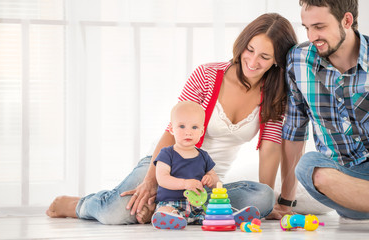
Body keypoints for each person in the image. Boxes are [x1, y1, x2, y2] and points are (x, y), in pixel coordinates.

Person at [46, 13, 298, 224]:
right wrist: (151, 180)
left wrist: (269, 205)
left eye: (264, 57)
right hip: (167, 163)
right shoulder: (208, 76)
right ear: (242, 43)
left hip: (207, 184)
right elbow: (171, 130)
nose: (252, 61)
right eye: (250, 50)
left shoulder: (276, 95)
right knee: (116, 213)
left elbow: (270, 148)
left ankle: (170, 207)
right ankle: (76, 204)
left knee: (262, 196)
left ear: (278, 60)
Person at [280, 0, 369, 221]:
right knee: (308, 166)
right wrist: (285, 202)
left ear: (347, 21)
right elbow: (295, 130)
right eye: (306, 27)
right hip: (344, 178)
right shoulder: (298, 60)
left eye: (319, 27)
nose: (311, 37)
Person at [151, 101, 218, 229]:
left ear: (202, 131)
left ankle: (226, 218)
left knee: (212, 211)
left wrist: (211, 179)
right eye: (182, 126)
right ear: (171, 129)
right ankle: (171, 218)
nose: (188, 132)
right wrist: (185, 183)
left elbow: (215, 178)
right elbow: (162, 178)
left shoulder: (204, 155)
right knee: (165, 210)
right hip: (172, 203)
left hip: (198, 204)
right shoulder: (167, 153)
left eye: (194, 127)